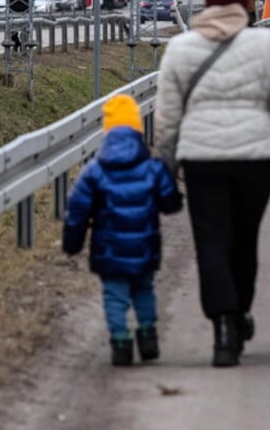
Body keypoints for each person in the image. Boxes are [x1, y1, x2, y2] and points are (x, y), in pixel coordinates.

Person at [154, 0, 270, 368]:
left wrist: (165, 166)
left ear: (208, 3)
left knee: (211, 240)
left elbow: (167, 116)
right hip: (256, 161)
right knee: (244, 240)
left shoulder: (182, 49)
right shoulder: (265, 46)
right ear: (244, 4)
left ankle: (222, 323)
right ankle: (239, 313)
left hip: (202, 161)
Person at [62, 95, 184, 366]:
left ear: (106, 132)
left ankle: (120, 341)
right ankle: (148, 334)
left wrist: (73, 243)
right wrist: (173, 201)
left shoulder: (94, 172)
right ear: (138, 129)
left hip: (109, 251)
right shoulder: (152, 168)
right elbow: (170, 202)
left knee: (114, 296)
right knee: (144, 291)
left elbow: (77, 212)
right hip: (144, 248)